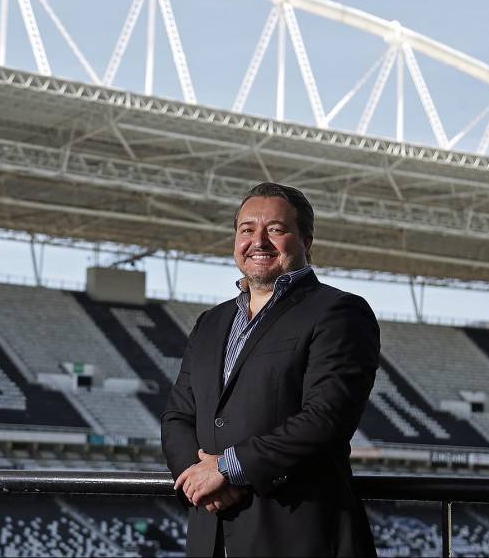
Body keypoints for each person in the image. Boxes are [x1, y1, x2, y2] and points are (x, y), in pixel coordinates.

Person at [161, 182, 380, 557]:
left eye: (275, 230)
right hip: (210, 535)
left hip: (297, 536)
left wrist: (228, 469)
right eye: (247, 229)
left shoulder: (339, 312)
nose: (258, 241)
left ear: (306, 240)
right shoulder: (210, 322)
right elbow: (177, 416)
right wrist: (199, 479)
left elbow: (326, 418)